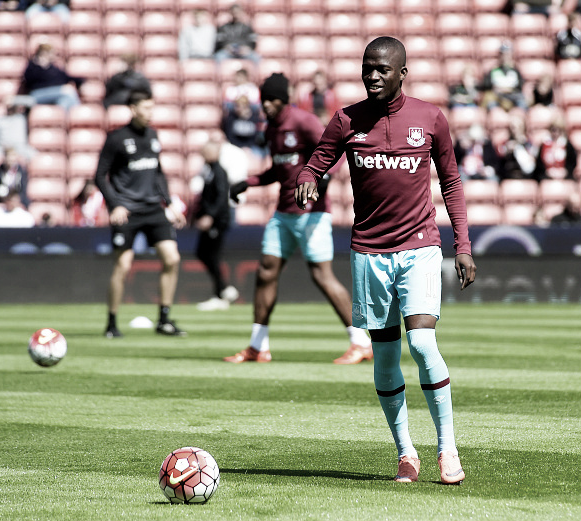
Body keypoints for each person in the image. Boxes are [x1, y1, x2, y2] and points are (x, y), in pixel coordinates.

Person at [295, 37, 476, 485]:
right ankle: (405, 453)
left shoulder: (430, 117)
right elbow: (314, 163)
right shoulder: (346, 120)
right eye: (366, 67)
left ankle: (447, 449)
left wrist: (464, 246)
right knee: (385, 357)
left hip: (420, 246)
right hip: (368, 252)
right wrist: (307, 180)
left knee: (422, 344)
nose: (372, 75)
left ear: (402, 73)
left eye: (381, 69)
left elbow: (451, 182)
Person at [224, 72, 373, 365]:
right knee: (266, 272)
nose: (266, 105)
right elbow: (279, 171)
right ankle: (258, 346)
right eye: (264, 99)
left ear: (283, 99)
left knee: (322, 276)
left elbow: (337, 150)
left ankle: (361, 342)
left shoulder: (303, 121)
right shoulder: (270, 129)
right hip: (283, 212)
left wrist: (325, 176)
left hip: (313, 213)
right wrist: (249, 182)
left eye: (272, 99)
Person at [94, 90, 187, 338]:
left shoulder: (153, 136)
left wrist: (169, 204)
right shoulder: (116, 138)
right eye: (145, 108)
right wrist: (115, 205)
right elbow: (99, 176)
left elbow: (158, 173)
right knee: (123, 265)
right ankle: (112, 323)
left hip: (153, 209)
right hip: (128, 211)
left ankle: (164, 319)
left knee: (172, 258)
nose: (150, 113)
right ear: (133, 109)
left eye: (152, 108)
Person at [194, 138, 239, 311]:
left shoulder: (219, 171)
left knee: (211, 255)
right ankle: (222, 290)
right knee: (204, 254)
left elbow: (221, 197)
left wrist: (210, 216)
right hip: (212, 219)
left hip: (217, 221)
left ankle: (222, 292)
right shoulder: (208, 170)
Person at [20, 43, 84, 111]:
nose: (54, 56)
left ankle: (61, 118)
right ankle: (77, 112)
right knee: (68, 90)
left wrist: (80, 81)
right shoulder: (33, 66)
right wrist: (41, 65)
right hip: (37, 94)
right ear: (44, 53)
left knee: (64, 100)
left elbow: (66, 77)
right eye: (52, 53)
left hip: (54, 94)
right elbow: (29, 81)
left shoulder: (52, 68)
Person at [0, 96, 36, 164]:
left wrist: (15, 100)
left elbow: (31, 102)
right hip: (2, 148)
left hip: (19, 148)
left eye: (11, 106)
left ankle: (23, 174)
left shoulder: (21, 117)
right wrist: (3, 146)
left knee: (32, 154)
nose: (10, 108)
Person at [480, 41, 527, 112]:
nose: (505, 56)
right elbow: (486, 85)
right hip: (498, 97)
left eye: (508, 54)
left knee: (522, 103)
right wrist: (496, 89)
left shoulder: (515, 70)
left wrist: (509, 89)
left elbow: (520, 85)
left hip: (513, 96)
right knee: (491, 104)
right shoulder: (493, 70)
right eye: (503, 54)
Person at [533, 116, 578, 181]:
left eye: (558, 130)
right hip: (546, 176)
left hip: (564, 177)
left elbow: (572, 162)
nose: (555, 133)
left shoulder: (567, 145)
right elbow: (539, 164)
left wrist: (564, 172)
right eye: (553, 130)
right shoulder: (544, 144)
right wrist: (547, 172)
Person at [497, 114, 537, 181]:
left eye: (515, 127)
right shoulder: (506, 142)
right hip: (509, 174)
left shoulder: (528, 142)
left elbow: (533, 158)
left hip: (525, 175)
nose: (513, 130)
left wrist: (520, 145)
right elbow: (500, 154)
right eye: (511, 127)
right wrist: (507, 149)